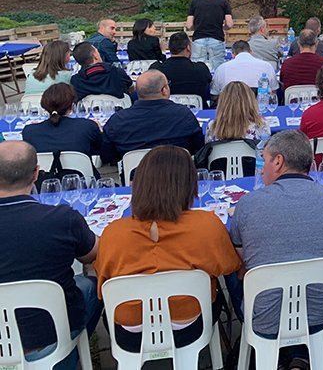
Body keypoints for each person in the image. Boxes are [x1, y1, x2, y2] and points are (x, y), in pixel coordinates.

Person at [95, 146, 241, 351]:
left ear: (139, 185)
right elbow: (229, 265)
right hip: (191, 326)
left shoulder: (113, 233)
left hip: (130, 333)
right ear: (189, 185)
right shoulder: (207, 224)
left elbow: (103, 286)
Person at [228, 130, 323, 354]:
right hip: (321, 314)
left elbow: (242, 268)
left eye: (264, 161)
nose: (262, 168)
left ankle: (272, 352)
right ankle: (300, 355)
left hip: (265, 319)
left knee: (235, 276)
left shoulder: (247, 205)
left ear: (278, 162)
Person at [0, 141, 100, 366]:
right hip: (51, 328)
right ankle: (65, 357)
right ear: (36, 174)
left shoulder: (63, 218)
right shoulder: (63, 218)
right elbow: (93, 254)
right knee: (93, 286)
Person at [101, 71, 204, 163]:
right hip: (178, 178)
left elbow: (107, 156)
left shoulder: (118, 120)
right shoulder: (183, 115)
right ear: (164, 90)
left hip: (136, 180)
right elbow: (198, 147)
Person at [23, 83, 102, 157]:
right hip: (81, 171)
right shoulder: (87, 126)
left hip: (45, 171)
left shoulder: (29, 131)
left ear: (45, 106)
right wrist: (101, 133)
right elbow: (103, 153)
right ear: (71, 106)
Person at [148, 32, 213, 107]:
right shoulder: (201, 69)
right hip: (197, 112)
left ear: (169, 48)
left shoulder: (157, 69)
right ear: (188, 47)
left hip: (165, 112)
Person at [187, 0, 233, 70]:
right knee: (217, 69)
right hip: (217, 38)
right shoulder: (223, 2)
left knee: (197, 68)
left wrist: (197, 27)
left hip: (199, 38)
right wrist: (223, 28)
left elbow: (189, 25)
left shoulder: (195, 2)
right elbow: (229, 24)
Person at [206, 81, 270, 142]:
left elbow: (208, 149)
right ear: (251, 101)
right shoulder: (262, 125)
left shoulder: (212, 127)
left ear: (222, 102)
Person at [210, 40, 278, 97]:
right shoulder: (267, 66)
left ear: (232, 54)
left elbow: (214, 94)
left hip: (231, 109)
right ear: (251, 52)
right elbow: (274, 91)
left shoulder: (222, 68)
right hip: (260, 108)